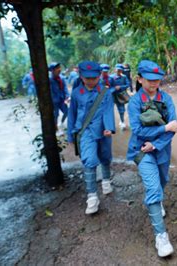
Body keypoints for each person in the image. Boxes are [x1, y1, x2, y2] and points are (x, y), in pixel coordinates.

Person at [126, 60, 177, 257]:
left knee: (162, 181)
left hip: (161, 150)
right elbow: (138, 130)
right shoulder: (134, 102)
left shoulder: (166, 99)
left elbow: (174, 126)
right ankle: (161, 236)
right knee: (153, 188)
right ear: (139, 79)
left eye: (157, 80)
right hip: (141, 150)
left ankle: (157, 203)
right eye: (149, 80)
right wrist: (164, 128)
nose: (153, 84)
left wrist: (156, 143)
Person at [67, 61, 115, 215]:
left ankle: (106, 180)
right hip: (85, 131)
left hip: (102, 130)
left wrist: (109, 127)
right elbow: (72, 114)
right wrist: (70, 135)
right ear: (81, 76)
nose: (91, 81)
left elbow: (108, 110)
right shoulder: (76, 93)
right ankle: (92, 197)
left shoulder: (105, 92)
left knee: (105, 156)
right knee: (89, 160)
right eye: (87, 78)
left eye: (94, 78)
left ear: (99, 76)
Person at [49, 62, 70, 134]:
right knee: (55, 115)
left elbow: (65, 88)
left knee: (67, 111)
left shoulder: (62, 78)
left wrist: (67, 96)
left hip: (62, 99)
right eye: (57, 68)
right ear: (52, 71)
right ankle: (55, 128)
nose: (59, 70)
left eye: (59, 68)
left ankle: (62, 123)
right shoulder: (49, 80)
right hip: (54, 101)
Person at [111, 63, 131, 130]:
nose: (119, 71)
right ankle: (109, 124)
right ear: (115, 70)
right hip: (112, 96)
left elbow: (128, 84)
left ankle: (122, 122)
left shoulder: (124, 77)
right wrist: (113, 89)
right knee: (109, 109)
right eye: (117, 70)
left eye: (120, 70)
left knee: (122, 110)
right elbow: (107, 86)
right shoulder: (111, 77)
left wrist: (121, 87)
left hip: (121, 96)